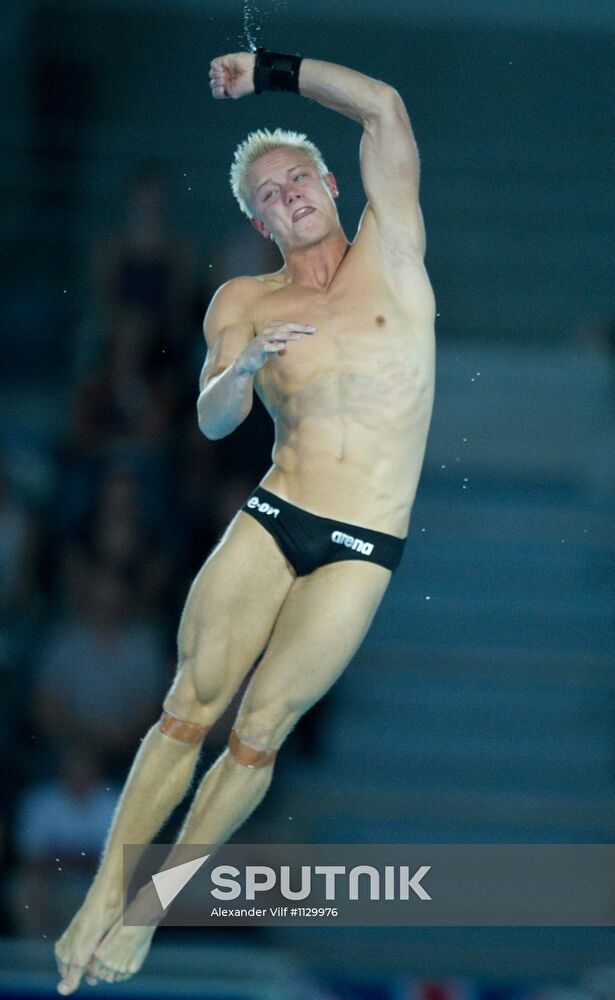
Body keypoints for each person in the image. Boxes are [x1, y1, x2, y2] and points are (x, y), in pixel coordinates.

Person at [54, 47, 436, 993]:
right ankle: (104, 895)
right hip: (276, 511)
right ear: (256, 219)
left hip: (361, 542)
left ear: (332, 185)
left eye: (299, 176)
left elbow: (383, 106)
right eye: (270, 191)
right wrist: (242, 363)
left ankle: (150, 908)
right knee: (188, 709)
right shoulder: (242, 300)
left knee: (259, 731)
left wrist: (270, 71)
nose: (290, 193)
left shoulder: (392, 248)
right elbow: (213, 415)